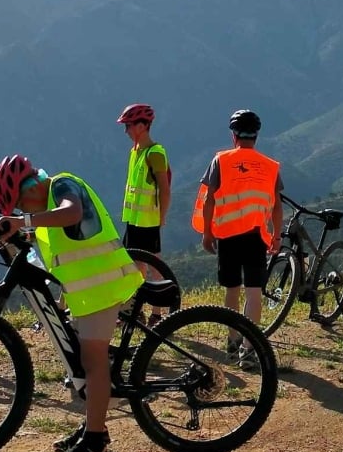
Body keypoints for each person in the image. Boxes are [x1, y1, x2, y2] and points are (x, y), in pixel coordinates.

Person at [0, 155, 144, 452]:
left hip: (105, 286)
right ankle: (93, 423)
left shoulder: (62, 184)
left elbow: (70, 213)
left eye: (21, 201)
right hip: (88, 293)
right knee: (82, 360)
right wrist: (18, 232)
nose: (23, 209)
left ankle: (96, 442)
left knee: (92, 361)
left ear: (31, 185)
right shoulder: (42, 210)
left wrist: (25, 222)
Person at [193, 109, 282, 363]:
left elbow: (210, 199)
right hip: (257, 236)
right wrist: (276, 236)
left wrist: (207, 232)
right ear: (256, 136)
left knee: (232, 289)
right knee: (254, 293)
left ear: (234, 136)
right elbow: (276, 205)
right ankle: (250, 349)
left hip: (228, 236)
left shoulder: (221, 161)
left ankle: (232, 341)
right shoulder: (270, 166)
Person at [116, 103, 172, 324]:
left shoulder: (155, 153)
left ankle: (157, 314)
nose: (126, 131)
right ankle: (136, 310)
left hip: (148, 221)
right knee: (135, 266)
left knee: (154, 267)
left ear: (142, 126)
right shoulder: (135, 151)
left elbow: (164, 190)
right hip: (133, 220)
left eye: (128, 126)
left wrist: (162, 217)